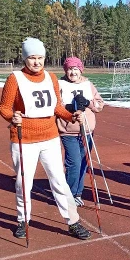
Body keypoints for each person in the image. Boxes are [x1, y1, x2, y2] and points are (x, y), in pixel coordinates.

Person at [0, 37, 91, 240]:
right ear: (25, 58)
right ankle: (23, 220)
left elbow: (57, 107)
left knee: (59, 181)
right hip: (24, 138)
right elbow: (4, 108)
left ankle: (73, 221)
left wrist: (72, 116)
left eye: (40, 57)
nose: (37, 62)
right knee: (24, 183)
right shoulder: (15, 78)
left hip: (50, 137)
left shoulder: (51, 78)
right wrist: (12, 117)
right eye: (32, 58)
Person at [57, 56, 104, 207]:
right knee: (74, 163)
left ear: (80, 70)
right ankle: (69, 195)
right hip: (68, 131)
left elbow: (99, 105)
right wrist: (70, 108)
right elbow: (56, 105)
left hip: (87, 131)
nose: (73, 72)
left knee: (84, 163)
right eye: (69, 69)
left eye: (75, 69)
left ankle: (78, 192)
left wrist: (88, 103)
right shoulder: (59, 84)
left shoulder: (88, 84)